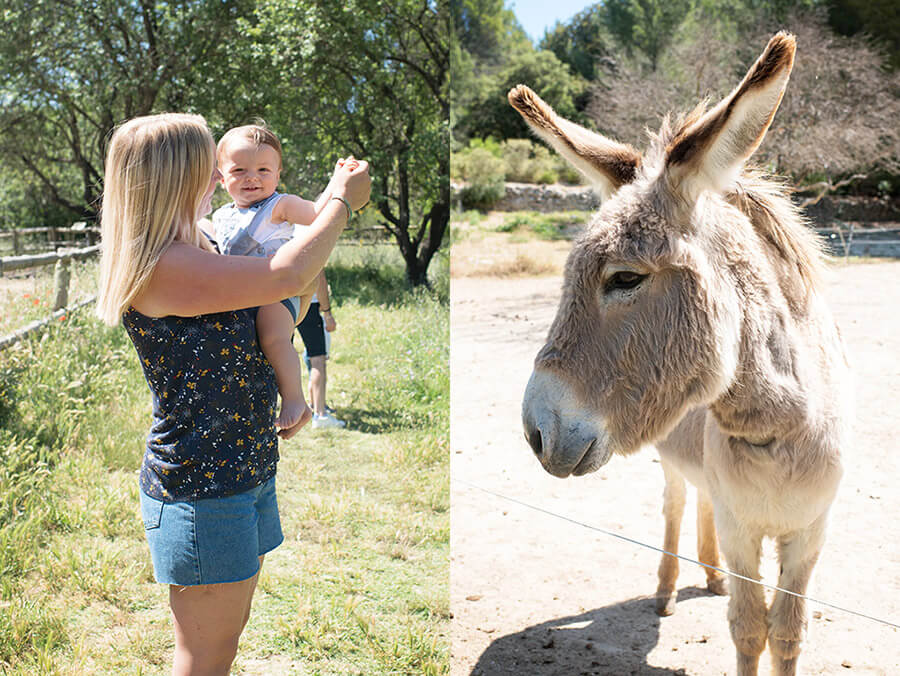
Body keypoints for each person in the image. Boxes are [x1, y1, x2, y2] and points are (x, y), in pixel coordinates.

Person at [95, 113, 369, 675]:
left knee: (226, 640)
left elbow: (280, 271)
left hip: (240, 467)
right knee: (205, 655)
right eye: (208, 166)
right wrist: (340, 202)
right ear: (181, 178)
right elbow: (285, 275)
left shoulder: (200, 242)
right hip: (203, 487)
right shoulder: (163, 268)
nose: (221, 179)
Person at [210, 124, 355, 431]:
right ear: (221, 177)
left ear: (278, 174)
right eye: (239, 170)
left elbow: (318, 212)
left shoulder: (281, 204)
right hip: (240, 295)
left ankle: (294, 399)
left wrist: (338, 183)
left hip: (276, 292)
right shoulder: (221, 215)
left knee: (273, 336)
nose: (253, 177)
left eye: (264, 169)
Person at [296, 270, 346, 429]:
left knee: (280, 355)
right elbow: (320, 278)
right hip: (309, 305)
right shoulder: (311, 245)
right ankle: (320, 414)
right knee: (318, 359)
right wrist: (327, 312)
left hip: (284, 302)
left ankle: (305, 404)